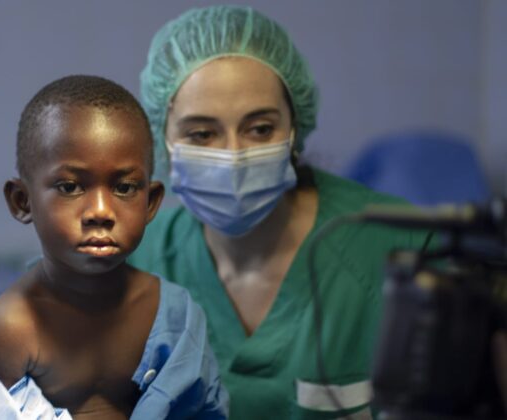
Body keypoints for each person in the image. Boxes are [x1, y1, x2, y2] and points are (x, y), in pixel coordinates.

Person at [127, 5, 431, 419]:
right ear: (163, 140)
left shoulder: (402, 247)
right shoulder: (132, 261)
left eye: (260, 129)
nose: (233, 156)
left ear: (294, 130)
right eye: (202, 133)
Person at [0, 75, 228, 419]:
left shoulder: (170, 311)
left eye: (124, 188)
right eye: (70, 187)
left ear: (150, 202)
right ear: (22, 201)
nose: (101, 212)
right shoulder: (15, 326)